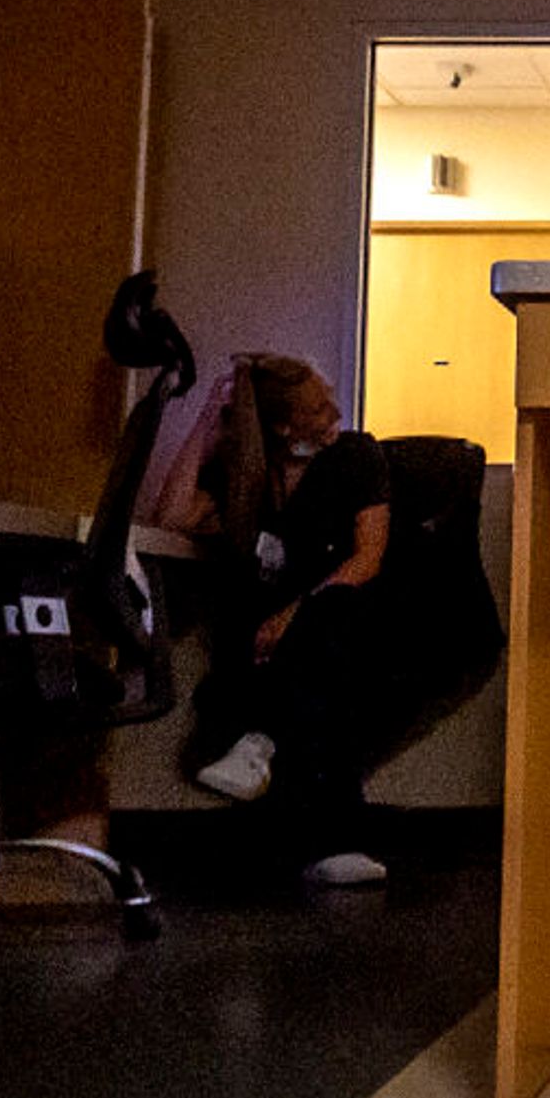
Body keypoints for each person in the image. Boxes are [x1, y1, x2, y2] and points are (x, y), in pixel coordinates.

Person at [179, 355, 399, 887]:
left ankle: (257, 741)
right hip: (262, 642)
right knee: (301, 677)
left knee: (327, 632)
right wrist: (210, 421)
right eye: (319, 407)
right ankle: (333, 842)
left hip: (336, 616)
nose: (335, 411)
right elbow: (173, 514)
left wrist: (293, 615)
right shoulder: (249, 480)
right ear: (283, 427)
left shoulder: (354, 458)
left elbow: (366, 559)